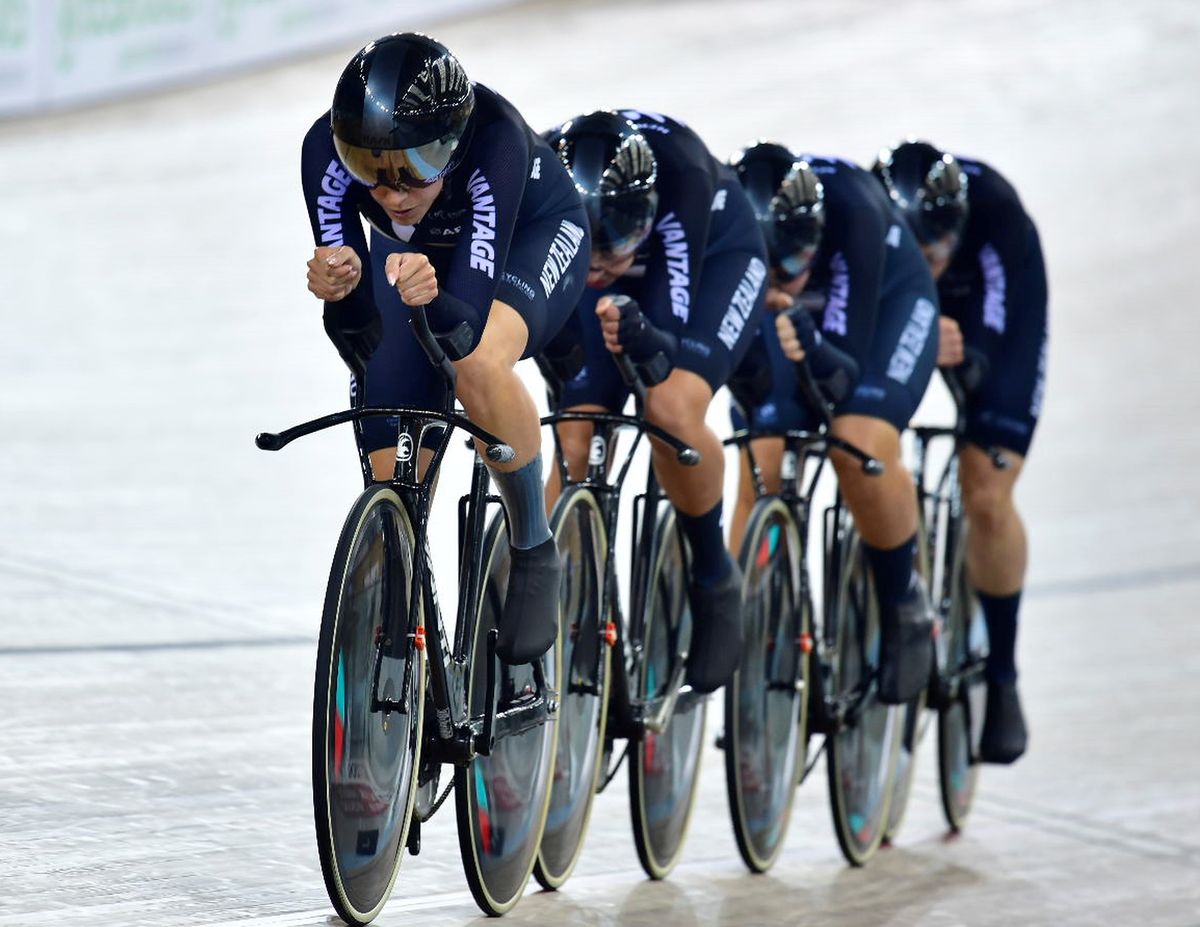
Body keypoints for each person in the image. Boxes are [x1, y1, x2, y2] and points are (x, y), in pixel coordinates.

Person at [300, 33, 590, 666]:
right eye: (370, 171)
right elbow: (356, 332)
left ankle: (533, 546)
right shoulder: (322, 151)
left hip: (525, 240)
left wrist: (430, 302)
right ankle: (407, 633)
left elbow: (459, 324)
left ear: (451, 146)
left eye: (413, 168)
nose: (393, 192)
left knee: (476, 364)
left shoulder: (496, 143)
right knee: (390, 469)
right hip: (417, 261)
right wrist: (337, 290)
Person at [543, 110, 769, 693]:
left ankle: (714, 577)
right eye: (587, 259)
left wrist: (641, 335)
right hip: (599, 256)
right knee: (574, 436)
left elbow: (663, 344)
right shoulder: (539, 172)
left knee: (668, 408)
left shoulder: (684, 178)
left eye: (609, 256)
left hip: (714, 253)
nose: (598, 271)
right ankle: (585, 605)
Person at [728, 143, 940, 706]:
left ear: (813, 241)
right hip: (795, 319)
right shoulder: (737, 237)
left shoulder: (856, 215)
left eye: (793, 266)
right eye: (770, 271)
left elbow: (841, 378)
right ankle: (744, 623)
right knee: (760, 458)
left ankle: (905, 603)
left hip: (886, 301)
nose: (783, 281)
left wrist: (810, 342)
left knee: (857, 443)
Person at [873, 139, 1047, 763]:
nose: (928, 261)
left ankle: (1002, 673)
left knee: (987, 488)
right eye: (916, 250)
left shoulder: (993, 212)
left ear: (955, 233)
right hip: (897, 301)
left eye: (935, 251)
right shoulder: (875, 215)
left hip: (992, 311)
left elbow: (1001, 321)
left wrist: (972, 349)